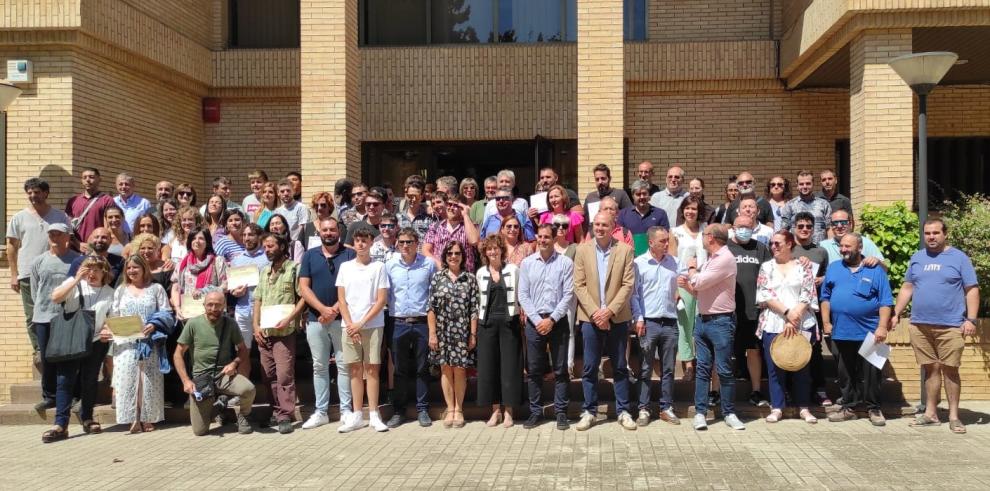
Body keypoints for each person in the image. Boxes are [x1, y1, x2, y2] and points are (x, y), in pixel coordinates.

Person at [892, 218, 980, 434]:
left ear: (945, 234)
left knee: (950, 370)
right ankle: (931, 414)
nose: (931, 237)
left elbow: (972, 289)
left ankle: (953, 416)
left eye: (935, 233)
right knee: (930, 369)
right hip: (920, 324)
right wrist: (896, 313)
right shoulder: (918, 257)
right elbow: (907, 287)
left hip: (951, 325)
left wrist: (971, 319)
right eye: (927, 233)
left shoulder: (959, 258)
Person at [677, 224, 745, 430]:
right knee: (703, 370)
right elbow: (701, 291)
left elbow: (699, 282)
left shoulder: (725, 258)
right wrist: (689, 285)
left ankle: (729, 412)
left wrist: (691, 269)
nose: (703, 239)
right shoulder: (711, 260)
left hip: (721, 322)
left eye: (705, 235)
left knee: (723, 369)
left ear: (712, 238)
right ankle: (700, 412)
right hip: (703, 320)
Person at [821, 233, 893, 426]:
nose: (844, 250)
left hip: (871, 331)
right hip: (841, 331)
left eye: (848, 246)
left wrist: (882, 327)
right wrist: (826, 322)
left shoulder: (875, 269)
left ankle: (874, 409)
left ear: (860, 248)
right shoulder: (834, 268)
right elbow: (825, 297)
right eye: (842, 246)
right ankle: (849, 407)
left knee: (872, 373)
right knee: (845, 373)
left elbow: (886, 301)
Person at [573, 212, 636, 431]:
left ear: (613, 227)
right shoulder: (582, 250)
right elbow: (578, 285)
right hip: (590, 319)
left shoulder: (625, 250)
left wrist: (608, 311)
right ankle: (589, 411)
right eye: (597, 224)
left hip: (617, 317)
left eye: (604, 225)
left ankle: (623, 411)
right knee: (590, 367)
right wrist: (596, 313)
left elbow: (628, 284)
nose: (599, 228)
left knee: (619, 366)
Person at [43, 255, 113, 442]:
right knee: (65, 380)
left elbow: (112, 316)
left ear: (103, 272)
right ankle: (60, 424)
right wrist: (75, 280)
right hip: (72, 339)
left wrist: (107, 328)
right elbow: (56, 298)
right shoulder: (74, 284)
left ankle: (88, 418)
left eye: (96, 269)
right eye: (88, 269)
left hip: (96, 341)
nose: (92, 273)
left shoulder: (110, 292)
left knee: (89, 380)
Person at [104, 254, 174, 433]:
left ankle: (148, 417)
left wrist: (154, 324)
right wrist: (110, 329)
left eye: (136, 267)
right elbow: (114, 315)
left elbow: (166, 312)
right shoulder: (121, 290)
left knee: (147, 379)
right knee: (128, 379)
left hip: (149, 340)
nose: (132, 271)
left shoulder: (156, 288)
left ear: (144, 268)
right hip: (126, 342)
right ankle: (133, 418)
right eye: (129, 268)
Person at [755, 230, 819, 424]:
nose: (773, 247)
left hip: (801, 323)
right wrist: (786, 313)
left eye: (778, 243)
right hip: (774, 322)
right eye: (772, 243)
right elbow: (764, 294)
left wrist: (794, 316)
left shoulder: (803, 266)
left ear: (790, 244)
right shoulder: (766, 267)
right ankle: (777, 407)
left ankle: (804, 408)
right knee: (774, 368)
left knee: (802, 366)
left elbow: (808, 292)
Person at [298, 217, 356, 429]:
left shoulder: (349, 255)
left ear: (338, 232)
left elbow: (352, 287)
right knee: (319, 366)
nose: (329, 233)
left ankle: (346, 410)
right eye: (325, 230)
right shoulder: (309, 256)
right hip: (316, 320)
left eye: (332, 229)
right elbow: (304, 287)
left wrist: (334, 310)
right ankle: (321, 411)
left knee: (344, 366)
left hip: (343, 320)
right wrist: (323, 310)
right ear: (319, 232)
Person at [174, 291, 256, 436]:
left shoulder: (230, 324)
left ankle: (243, 416)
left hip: (224, 374)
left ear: (224, 306)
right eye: (210, 305)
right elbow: (178, 354)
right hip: (201, 378)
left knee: (248, 389)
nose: (213, 308)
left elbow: (243, 350)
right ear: (203, 305)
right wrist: (186, 381)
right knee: (200, 431)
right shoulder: (193, 324)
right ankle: (219, 406)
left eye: (218, 305)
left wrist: (234, 363)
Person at [518, 224, 574, 430]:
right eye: (540, 237)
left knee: (560, 369)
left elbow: (569, 293)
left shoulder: (565, 262)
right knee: (534, 370)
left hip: (557, 321)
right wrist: (536, 319)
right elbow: (522, 294)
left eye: (547, 237)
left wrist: (551, 319)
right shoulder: (527, 263)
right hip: (534, 322)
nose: (543, 240)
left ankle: (560, 412)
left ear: (554, 238)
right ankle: (535, 412)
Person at [334, 228, 390, 433]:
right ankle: (357, 414)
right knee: (355, 369)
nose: (360, 244)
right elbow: (341, 299)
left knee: (372, 369)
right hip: (348, 326)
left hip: (373, 325)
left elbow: (381, 299)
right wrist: (350, 324)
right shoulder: (345, 267)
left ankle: (374, 413)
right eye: (357, 240)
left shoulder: (379, 267)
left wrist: (361, 322)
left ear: (370, 243)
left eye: (364, 240)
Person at [7, 178, 70, 358]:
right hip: (27, 273)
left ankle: (59, 345)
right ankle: (39, 349)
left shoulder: (59, 216)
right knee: (32, 313)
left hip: (57, 270)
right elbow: (11, 246)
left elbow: (69, 240)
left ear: (45, 193)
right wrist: (14, 275)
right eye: (30, 192)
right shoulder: (19, 217)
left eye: (37, 192)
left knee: (59, 310)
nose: (33, 196)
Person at [252, 233, 306, 434]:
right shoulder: (264, 271)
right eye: (265, 246)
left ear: (282, 246)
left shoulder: (294, 269)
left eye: (271, 245)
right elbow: (257, 300)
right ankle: (276, 411)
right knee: (268, 375)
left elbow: (302, 297)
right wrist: (255, 326)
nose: (267, 249)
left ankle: (285, 414)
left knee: (284, 374)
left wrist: (290, 318)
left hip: (284, 331)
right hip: (264, 332)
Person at [384, 228, 436, 428]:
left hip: (422, 322)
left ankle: (423, 409)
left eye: (409, 242)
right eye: (402, 242)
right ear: (397, 244)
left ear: (417, 244)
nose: (405, 246)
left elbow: (433, 295)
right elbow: (386, 294)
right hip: (398, 323)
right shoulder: (389, 266)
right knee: (399, 370)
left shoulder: (428, 265)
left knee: (423, 368)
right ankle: (399, 411)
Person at [28, 223, 82, 413]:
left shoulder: (77, 260)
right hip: (43, 317)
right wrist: (43, 308)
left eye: (58, 234)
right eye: (51, 234)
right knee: (47, 358)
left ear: (67, 237)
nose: (54, 238)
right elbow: (35, 291)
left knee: (69, 358)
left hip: (68, 316)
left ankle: (74, 395)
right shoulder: (38, 261)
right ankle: (49, 396)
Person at [630, 226, 681, 426]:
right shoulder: (638, 264)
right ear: (651, 242)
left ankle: (666, 407)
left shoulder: (674, 263)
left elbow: (687, 281)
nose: (667, 244)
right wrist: (638, 318)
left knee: (668, 368)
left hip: (669, 320)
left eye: (667, 240)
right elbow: (633, 294)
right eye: (662, 241)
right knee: (645, 367)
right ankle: (643, 408)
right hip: (648, 322)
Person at [428, 241, 480, 429]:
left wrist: (473, 334)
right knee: (445, 369)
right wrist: (432, 333)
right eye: (450, 253)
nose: (453, 256)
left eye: (457, 253)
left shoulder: (470, 279)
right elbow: (431, 308)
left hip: (462, 331)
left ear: (463, 256)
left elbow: (474, 309)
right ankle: (449, 409)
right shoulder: (437, 278)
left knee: (459, 370)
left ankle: (459, 409)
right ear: (445, 256)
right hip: (442, 331)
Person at [474, 235, 523, 428]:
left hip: (509, 322)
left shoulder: (513, 270)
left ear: (502, 250)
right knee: (489, 367)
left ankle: (509, 412)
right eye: (489, 249)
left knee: (510, 367)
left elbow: (521, 294)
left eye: (496, 248)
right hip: (487, 323)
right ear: (485, 252)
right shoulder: (480, 273)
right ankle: (495, 411)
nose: (492, 252)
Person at [727, 215, 771, 408]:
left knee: (754, 352)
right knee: (724, 353)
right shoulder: (724, 248)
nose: (744, 229)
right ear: (733, 227)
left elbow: (770, 274)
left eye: (748, 226)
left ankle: (756, 391)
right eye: (740, 226)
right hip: (728, 310)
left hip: (753, 311)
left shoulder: (760, 248)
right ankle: (717, 392)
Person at [791, 211, 831, 404]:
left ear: (814, 229)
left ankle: (819, 389)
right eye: (800, 226)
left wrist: (821, 279)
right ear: (794, 228)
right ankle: (793, 391)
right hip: (792, 308)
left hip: (812, 310)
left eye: (808, 226)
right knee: (792, 349)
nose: (805, 230)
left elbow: (827, 278)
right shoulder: (789, 250)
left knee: (814, 350)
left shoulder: (820, 252)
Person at [669, 195, 707, 382]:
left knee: (701, 323)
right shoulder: (675, 232)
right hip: (683, 282)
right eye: (687, 208)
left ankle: (702, 360)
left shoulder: (706, 230)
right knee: (684, 325)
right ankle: (688, 364)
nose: (690, 211)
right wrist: (675, 287)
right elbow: (671, 261)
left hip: (704, 282)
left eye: (694, 208)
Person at [171, 227, 227, 324]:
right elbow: (176, 287)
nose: (197, 241)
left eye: (201, 238)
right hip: (188, 314)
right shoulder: (182, 264)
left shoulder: (217, 261)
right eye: (193, 238)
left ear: (207, 242)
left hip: (213, 314)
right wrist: (177, 307)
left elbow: (225, 286)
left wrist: (204, 291)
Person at [229, 223, 270, 349]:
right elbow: (232, 287)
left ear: (259, 237)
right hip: (242, 309)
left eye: (251, 235)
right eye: (244, 235)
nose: (246, 238)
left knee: (265, 348)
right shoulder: (237, 260)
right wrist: (234, 292)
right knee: (242, 350)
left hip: (263, 309)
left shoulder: (268, 258)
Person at [423, 192, 479, 271]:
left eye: (456, 205)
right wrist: (440, 266)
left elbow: (474, 241)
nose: (451, 208)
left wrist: (465, 215)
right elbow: (426, 250)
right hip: (441, 275)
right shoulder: (435, 227)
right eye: (449, 204)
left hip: (464, 275)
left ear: (462, 207)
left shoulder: (470, 225)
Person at [65, 167, 116, 247]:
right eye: (84, 177)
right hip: (75, 248)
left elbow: (109, 227)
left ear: (99, 179)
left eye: (91, 177)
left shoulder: (107, 200)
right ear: (81, 181)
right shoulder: (73, 201)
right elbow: (67, 225)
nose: (87, 180)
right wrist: (78, 244)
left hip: (97, 247)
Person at [619, 179, 670, 256]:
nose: (642, 197)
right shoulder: (623, 214)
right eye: (638, 194)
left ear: (649, 195)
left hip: (654, 258)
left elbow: (665, 238)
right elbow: (619, 237)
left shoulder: (660, 214)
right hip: (630, 257)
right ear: (633, 196)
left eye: (644, 194)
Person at [779, 170, 832, 244]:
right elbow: (784, 230)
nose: (805, 186)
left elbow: (829, 228)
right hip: (797, 249)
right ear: (797, 185)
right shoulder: (790, 205)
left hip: (819, 248)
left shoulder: (824, 204)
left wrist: (829, 248)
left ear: (813, 184)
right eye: (801, 184)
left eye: (808, 183)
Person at [819, 209, 886, 267]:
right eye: (835, 223)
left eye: (843, 222)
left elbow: (884, 269)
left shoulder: (865, 242)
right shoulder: (823, 246)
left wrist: (877, 262)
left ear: (850, 224)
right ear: (831, 226)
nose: (839, 226)